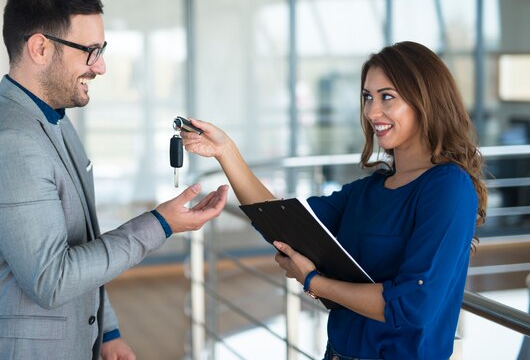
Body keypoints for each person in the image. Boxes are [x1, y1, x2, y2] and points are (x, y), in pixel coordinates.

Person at [0, 0, 228, 360]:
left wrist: (107, 329)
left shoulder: (53, 120)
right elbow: (53, 279)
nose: (100, 67)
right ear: (40, 48)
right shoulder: (10, 144)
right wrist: (161, 224)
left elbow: (81, 243)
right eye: (91, 51)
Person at [181, 41, 487, 360]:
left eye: (387, 97)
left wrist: (315, 281)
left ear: (426, 101)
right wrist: (226, 152)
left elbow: (413, 305)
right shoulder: (367, 191)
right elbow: (282, 222)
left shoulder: (449, 187)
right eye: (367, 97)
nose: (371, 111)